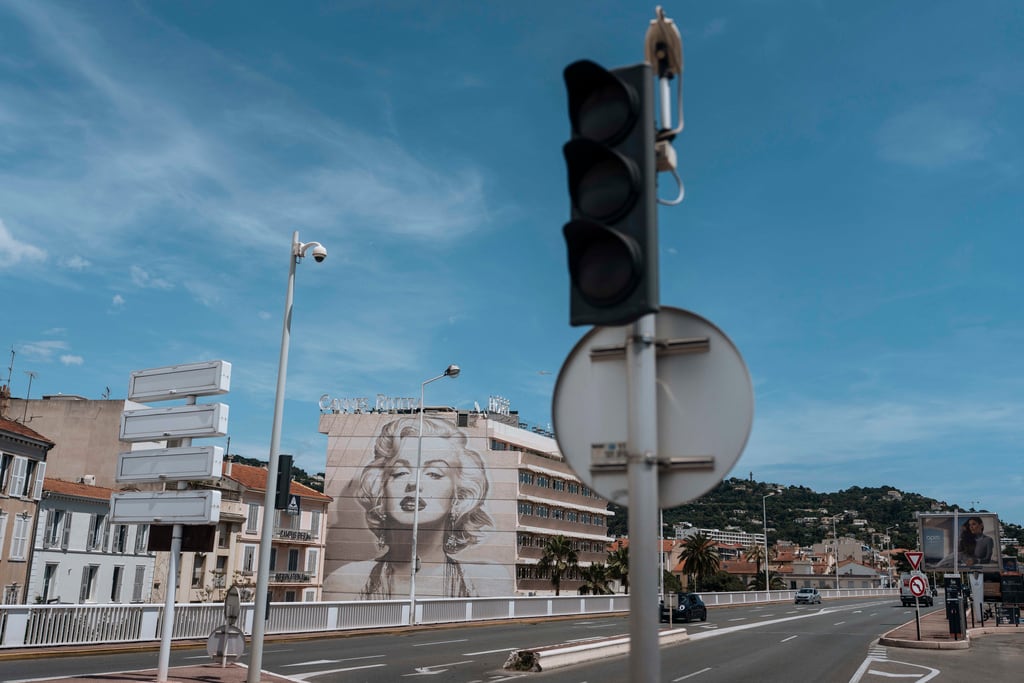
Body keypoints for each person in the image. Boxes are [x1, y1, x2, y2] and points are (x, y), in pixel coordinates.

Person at [329, 415, 504, 599]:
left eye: (434, 474)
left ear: (459, 495)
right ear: (381, 489)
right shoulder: (345, 580)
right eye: (400, 472)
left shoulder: (489, 580)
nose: (413, 483)